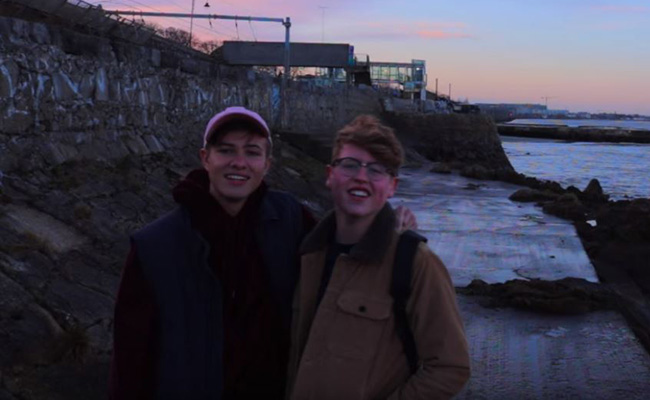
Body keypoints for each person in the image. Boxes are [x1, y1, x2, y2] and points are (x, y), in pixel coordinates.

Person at [109, 107, 416, 399]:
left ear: (267, 164)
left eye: (252, 152)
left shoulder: (289, 219)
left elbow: (341, 255)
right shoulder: (155, 246)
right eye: (226, 150)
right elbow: (130, 363)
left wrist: (387, 226)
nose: (239, 162)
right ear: (206, 158)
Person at [287, 115, 470, 400]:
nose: (361, 177)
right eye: (350, 165)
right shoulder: (306, 253)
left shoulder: (416, 263)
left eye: (376, 170)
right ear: (330, 175)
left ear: (392, 186)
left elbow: (451, 367)